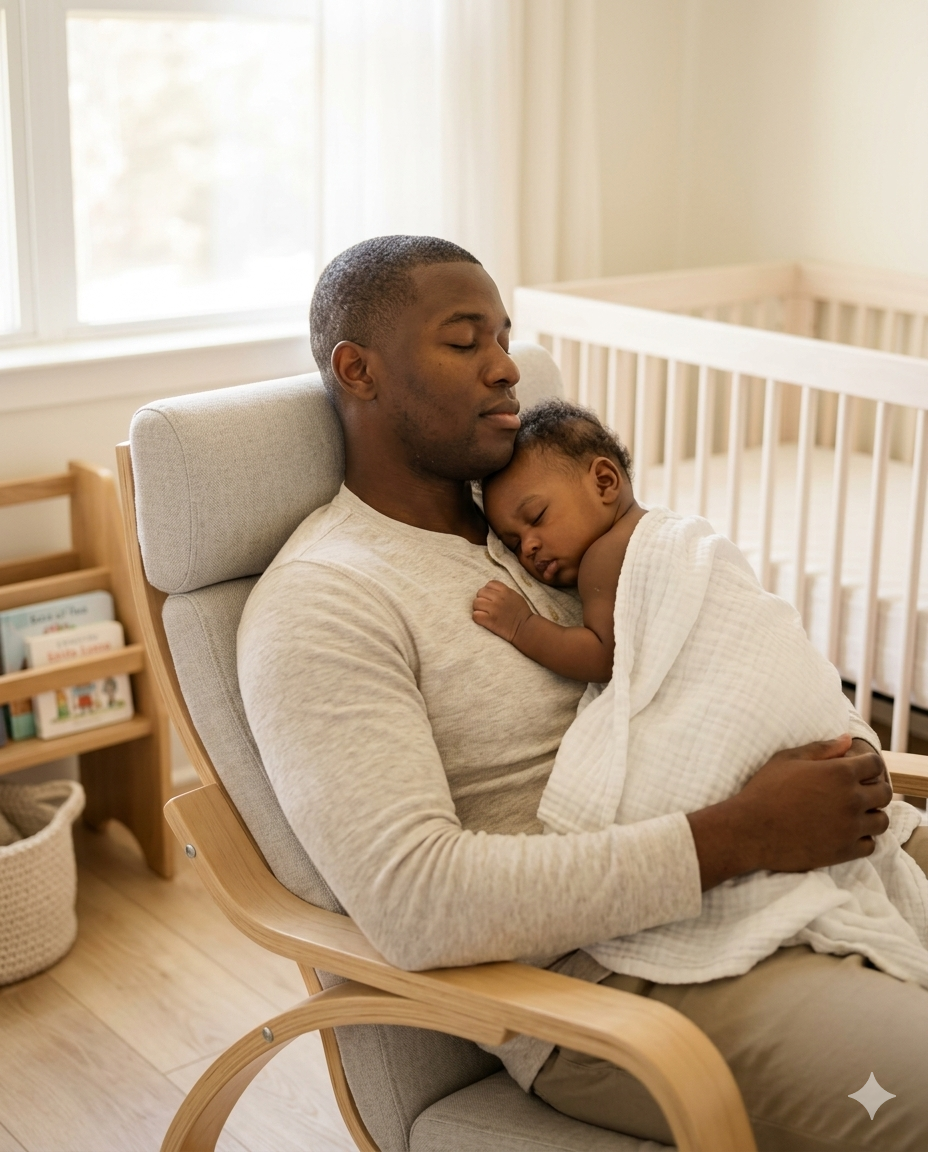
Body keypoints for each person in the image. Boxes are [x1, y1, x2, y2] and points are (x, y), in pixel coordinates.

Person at [237, 235, 928, 1151]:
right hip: (614, 987)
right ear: (359, 371)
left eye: (504, 336)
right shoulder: (326, 599)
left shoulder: (551, 529)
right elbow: (415, 899)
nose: (504, 367)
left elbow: (712, 658)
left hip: (789, 881)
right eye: (464, 341)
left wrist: (830, 758)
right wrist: (748, 832)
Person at [474, 397, 928, 992]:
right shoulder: (674, 531)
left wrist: (523, 627)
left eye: (535, 518)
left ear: (605, 482)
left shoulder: (606, 560)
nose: (527, 548)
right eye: (512, 542)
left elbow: (605, 656)